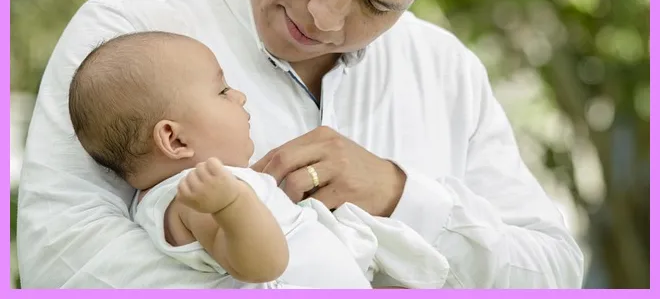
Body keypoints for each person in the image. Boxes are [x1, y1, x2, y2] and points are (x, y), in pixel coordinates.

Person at [17, 0, 584, 288]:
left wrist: (398, 194)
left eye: (377, 5)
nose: (326, 17)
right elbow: (63, 264)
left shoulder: (446, 70)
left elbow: (554, 272)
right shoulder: (125, 32)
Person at [66, 31, 450, 289]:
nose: (240, 97)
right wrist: (231, 204)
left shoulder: (204, 191)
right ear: (175, 139)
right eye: (222, 91)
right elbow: (262, 265)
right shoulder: (192, 200)